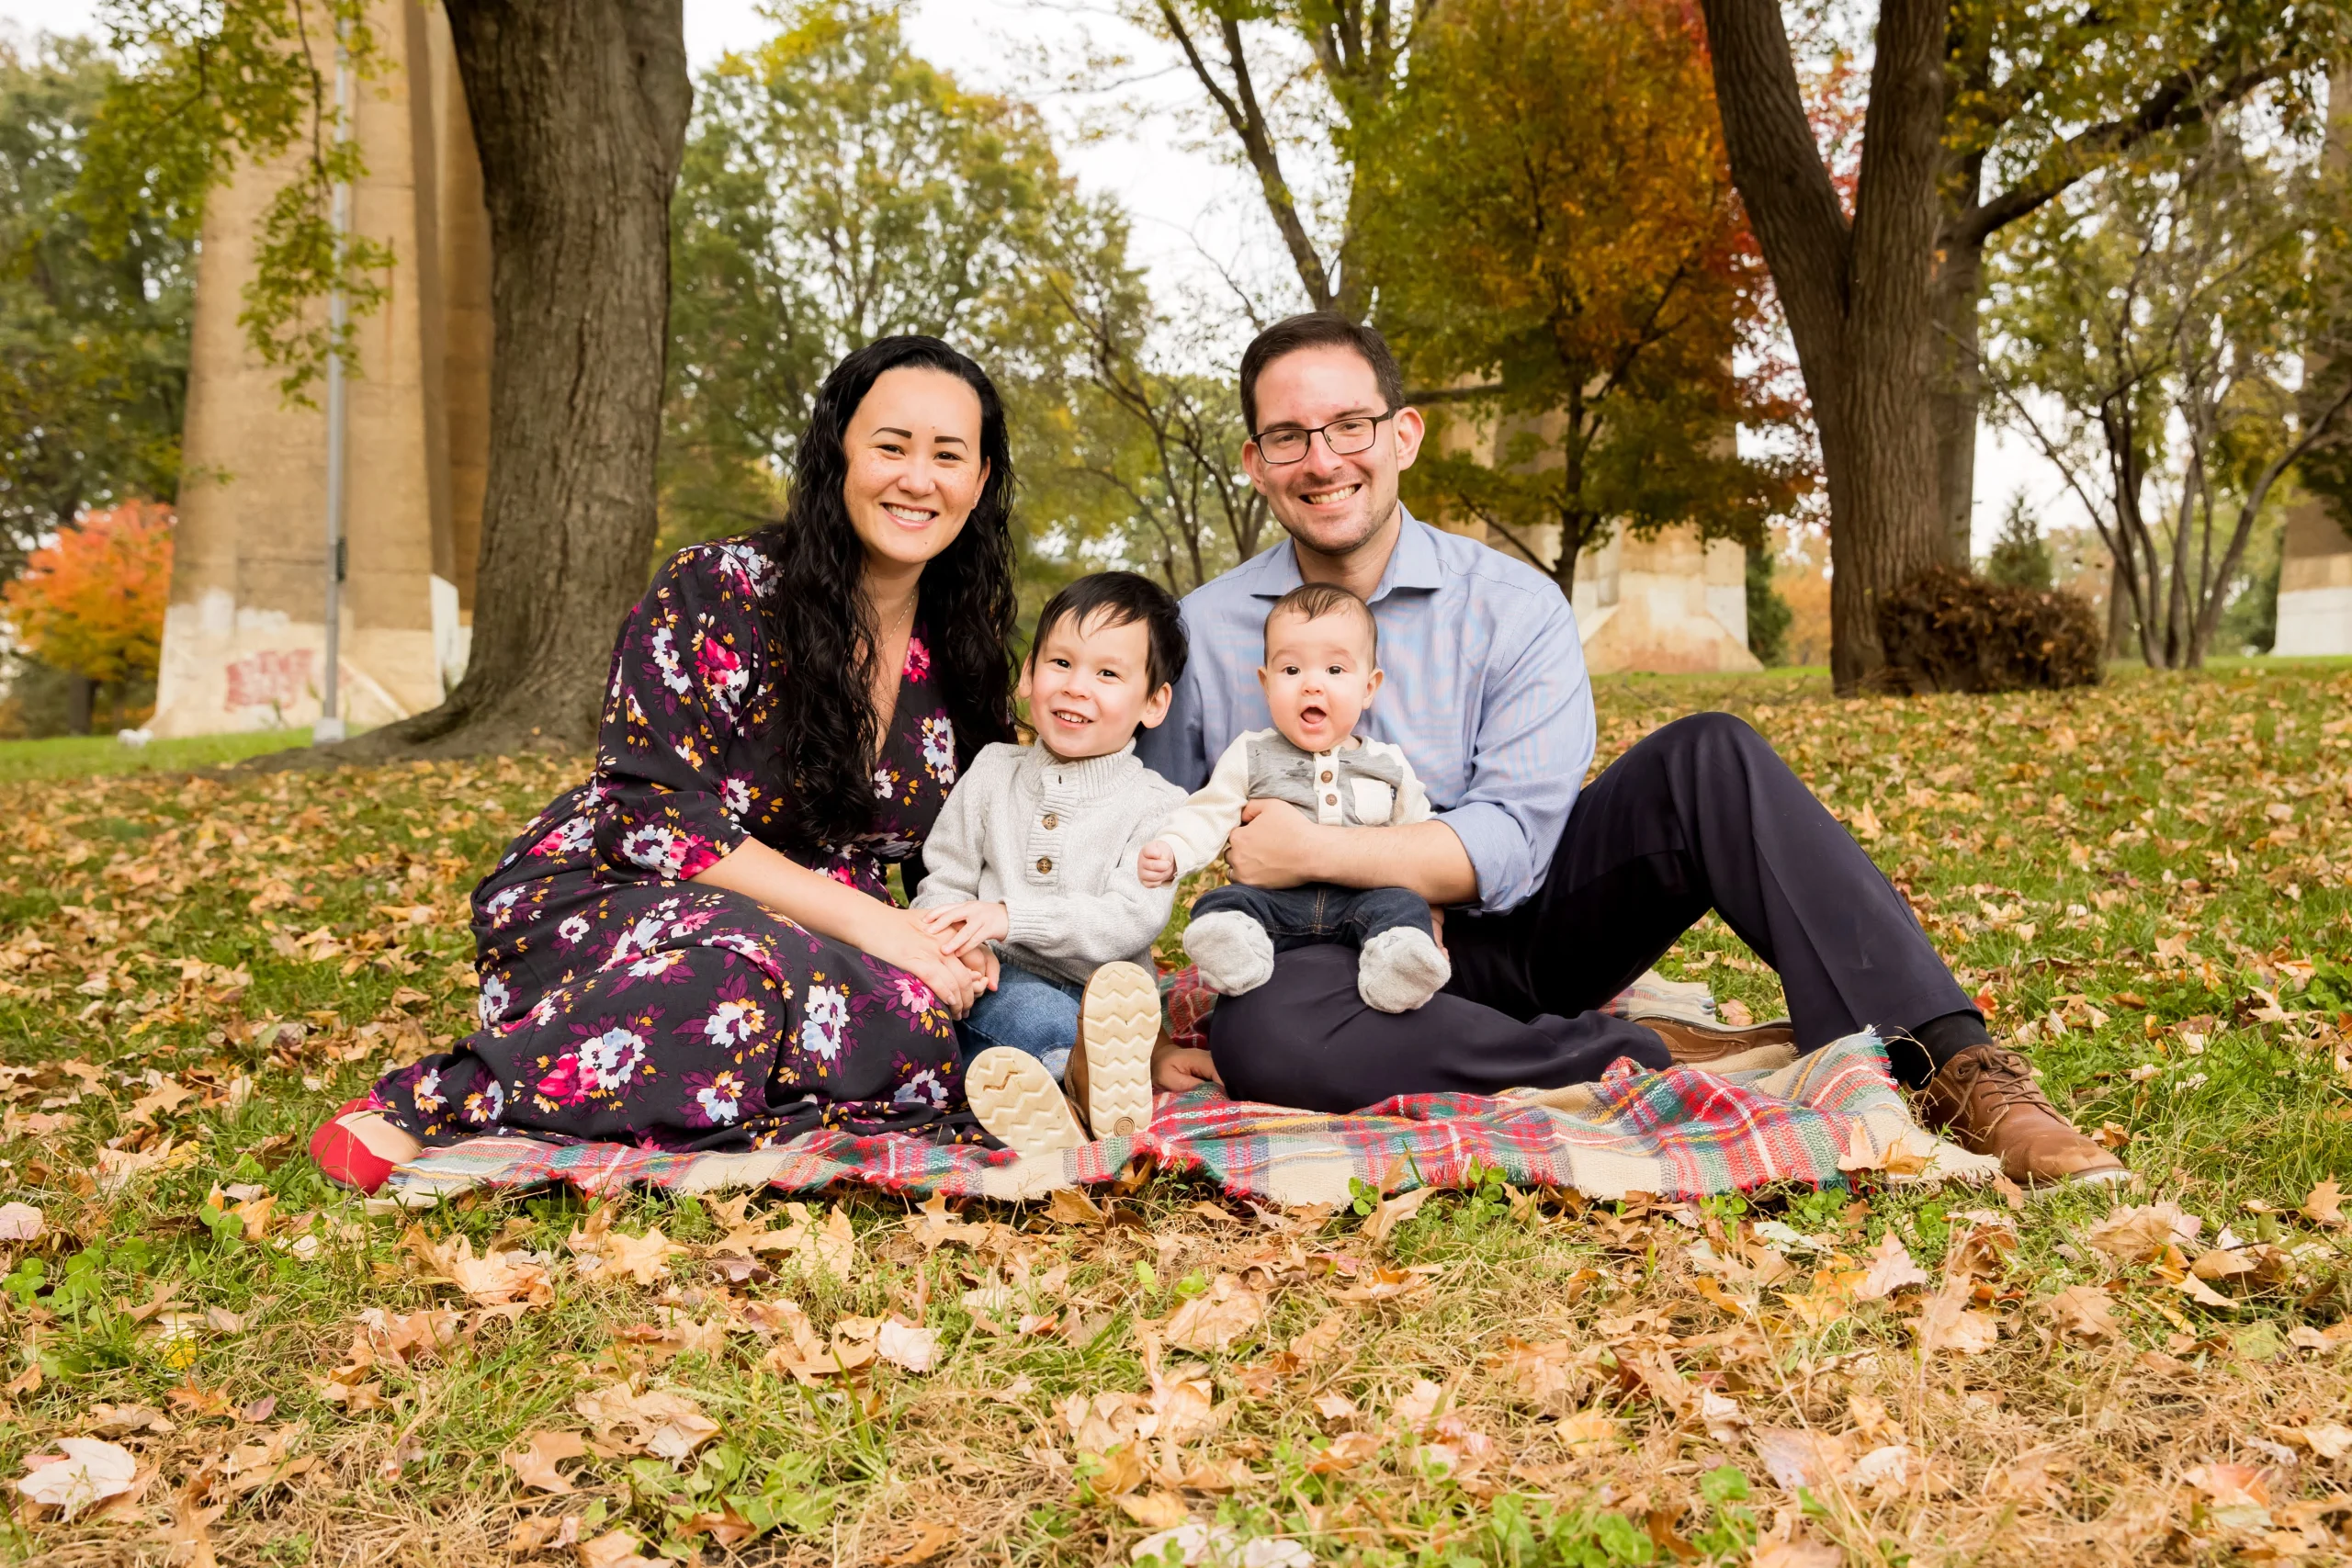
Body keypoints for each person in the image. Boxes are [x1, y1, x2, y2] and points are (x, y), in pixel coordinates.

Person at [1135, 312, 2126, 1187]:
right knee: (1261, 1038)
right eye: (1287, 436)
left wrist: (1315, 850)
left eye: (1348, 425)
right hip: (1329, 952)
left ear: (1403, 434)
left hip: (1522, 934)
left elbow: (1514, 847)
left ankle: (1955, 1067)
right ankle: (1628, 1050)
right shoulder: (1202, 631)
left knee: (1713, 756)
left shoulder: (1511, 603)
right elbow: (1131, 829)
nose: (1322, 458)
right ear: (1256, 460)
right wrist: (1125, 1032)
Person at [313, 336, 1046, 1193]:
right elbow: (653, 817)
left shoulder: (962, 655)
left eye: (947, 455)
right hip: (617, 890)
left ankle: (732, 1099)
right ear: (839, 451)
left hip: (824, 936)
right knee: (735, 975)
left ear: (981, 481)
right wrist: (881, 927)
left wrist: (954, 936)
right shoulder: (717, 589)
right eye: (890, 446)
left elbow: (954, 850)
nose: (917, 478)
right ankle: (433, 1102)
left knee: (921, 1027)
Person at [910, 571, 1191, 1156]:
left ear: (1154, 702)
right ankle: (1075, 1096)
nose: (1076, 687)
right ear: (1028, 673)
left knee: (1039, 1023)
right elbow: (945, 877)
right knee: (987, 1010)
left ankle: (1073, 1086)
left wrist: (1009, 917)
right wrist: (962, 942)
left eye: (1108, 673)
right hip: (989, 978)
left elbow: (1128, 919)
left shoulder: (1161, 807)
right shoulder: (992, 771)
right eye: (1060, 663)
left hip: (1103, 1001)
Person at [1140, 581, 1450, 1013]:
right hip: (1275, 903)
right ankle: (1237, 955)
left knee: (1402, 905)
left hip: (1361, 901)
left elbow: (1421, 847)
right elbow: (1209, 812)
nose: (1312, 686)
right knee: (1223, 903)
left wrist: (1430, 921)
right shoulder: (1251, 753)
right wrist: (1173, 850)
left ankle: (1399, 962)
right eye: (1291, 671)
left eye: (1335, 671)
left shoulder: (1389, 765)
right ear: (1266, 684)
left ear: (1369, 686)